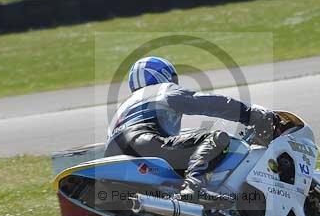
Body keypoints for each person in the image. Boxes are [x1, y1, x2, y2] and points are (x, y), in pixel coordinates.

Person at [105, 56, 278, 202]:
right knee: (217, 139)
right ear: (163, 76)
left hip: (113, 154)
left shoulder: (123, 106)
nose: (175, 83)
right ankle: (194, 186)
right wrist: (251, 115)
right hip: (144, 142)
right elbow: (207, 103)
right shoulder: (162, 89)